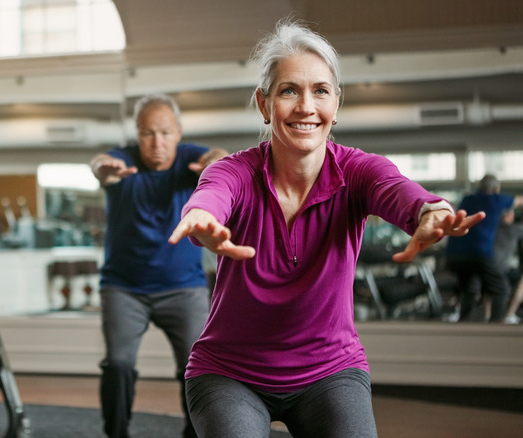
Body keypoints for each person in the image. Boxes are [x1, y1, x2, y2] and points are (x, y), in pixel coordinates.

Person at [167, 19, 483, 438]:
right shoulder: (235, 171)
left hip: (330, 370)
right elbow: (213, 194)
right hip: (230, 372)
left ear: (336, 103)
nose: (305, 106)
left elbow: (398, 190)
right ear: (264, 104)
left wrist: (431, 211)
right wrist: (202, 218)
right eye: (288, 90)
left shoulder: (358, 170)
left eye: (320, 90)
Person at [90, 94, 227, 438]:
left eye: (165, 133)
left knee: (197, 367)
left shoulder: (189, 158)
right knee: (118, 365)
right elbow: (101, 165)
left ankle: (193, 433)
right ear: (138, 133)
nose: (157, 143)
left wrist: (214, 161)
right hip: (124, 288)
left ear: (178, 132)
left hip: (182, 287)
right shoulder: (124, 160)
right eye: (148, 133)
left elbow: (220, 158)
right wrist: (104, 170)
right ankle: (116, 433)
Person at [445, 174, 523, 322]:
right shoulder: (495, 199)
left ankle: (464, 323)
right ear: (496, 189)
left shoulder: (467, 199)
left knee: (469, 288)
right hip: (478, 254)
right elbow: (519, 201)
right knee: (501, 289)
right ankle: (496, 327)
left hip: (453, 254)